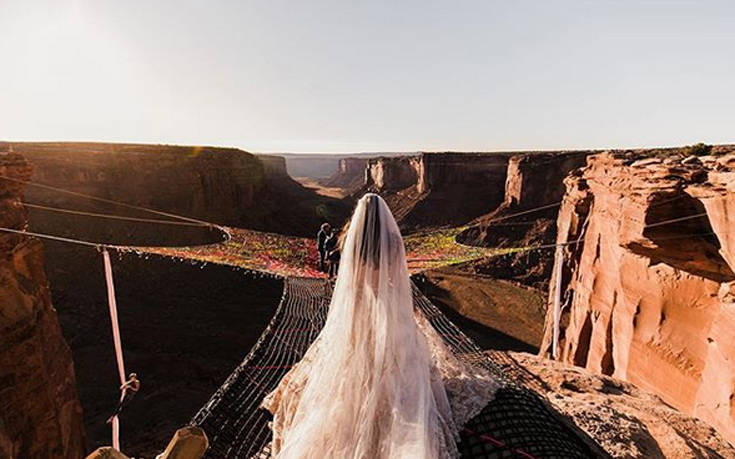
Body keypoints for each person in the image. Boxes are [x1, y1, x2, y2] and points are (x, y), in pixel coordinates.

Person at [262, 193, 498, 458]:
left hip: (359, 306)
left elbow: (350, 281)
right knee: (399, 360)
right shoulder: (394, 242)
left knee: (355, 357)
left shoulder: (352, 240)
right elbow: (396, 281)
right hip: (387, 306)